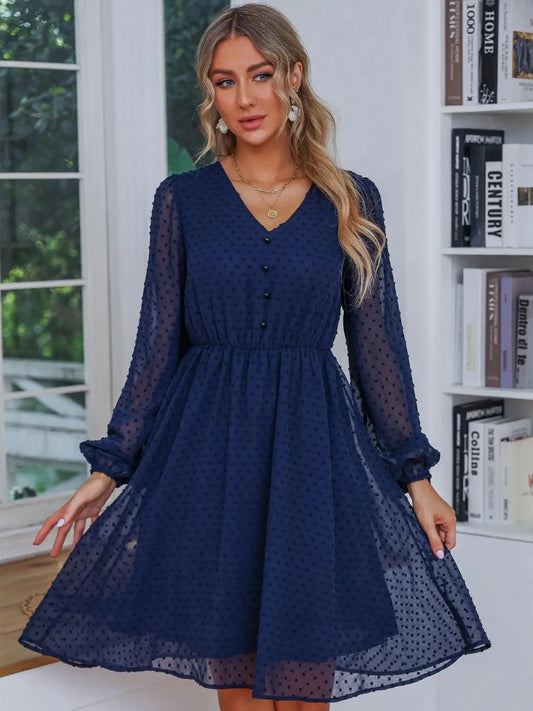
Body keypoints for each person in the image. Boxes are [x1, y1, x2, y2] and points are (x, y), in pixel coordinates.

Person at [18, 4, 491, 710]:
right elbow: (157, 344)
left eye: (260, 75)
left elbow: (378, 349)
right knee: (238, 690)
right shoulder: (183, 201)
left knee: (305, 688)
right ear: (210, 92)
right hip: (210, 460)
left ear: (293, 77)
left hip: (313, 459)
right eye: (224, 81)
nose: (243, 97)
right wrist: (109, 466)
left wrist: (415, 475)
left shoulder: (349, 199)